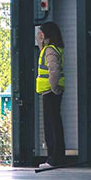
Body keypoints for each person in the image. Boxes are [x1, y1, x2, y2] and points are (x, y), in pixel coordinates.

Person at [36, 21, 66, 170]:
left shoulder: (50, 51)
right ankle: (55, 157)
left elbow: (53, 70)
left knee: (51, 125)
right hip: (51, 91)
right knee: (54, 124)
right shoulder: (51, 49)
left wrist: (54, 88)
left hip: (50, 92)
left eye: (41, 33)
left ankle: (53, 158)